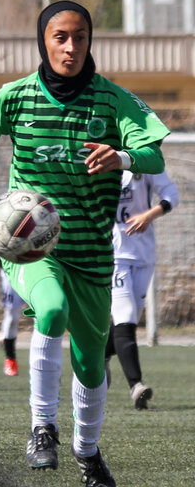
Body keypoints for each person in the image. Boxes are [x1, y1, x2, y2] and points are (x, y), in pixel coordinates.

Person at [0, 1, 168, 487]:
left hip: (94, 254)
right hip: (31, 250)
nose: (70, 47)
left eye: (79, 37)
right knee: (49, 310)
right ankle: (42, 428)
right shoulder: (16, 97)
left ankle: (88, 453)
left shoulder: (114, 102)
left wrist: (122, 156)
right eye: (60, 37)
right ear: (43, 40)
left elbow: (155, 152)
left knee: (92, 365)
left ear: (90, 41)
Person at [104, 169, 179, 409]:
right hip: (114, 255)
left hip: (143, 254)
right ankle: (136, 386)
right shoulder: (96, 166)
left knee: (127, 323)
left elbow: (171, 192)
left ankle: (100, 354)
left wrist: (150, 214)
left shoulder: (143, 163)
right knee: (125, 317)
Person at [0, 266, 26, 377]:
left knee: (40, 316)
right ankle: (10, 359)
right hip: (12, 268)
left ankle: (43, 359)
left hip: (36, 267)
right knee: (12, 318)